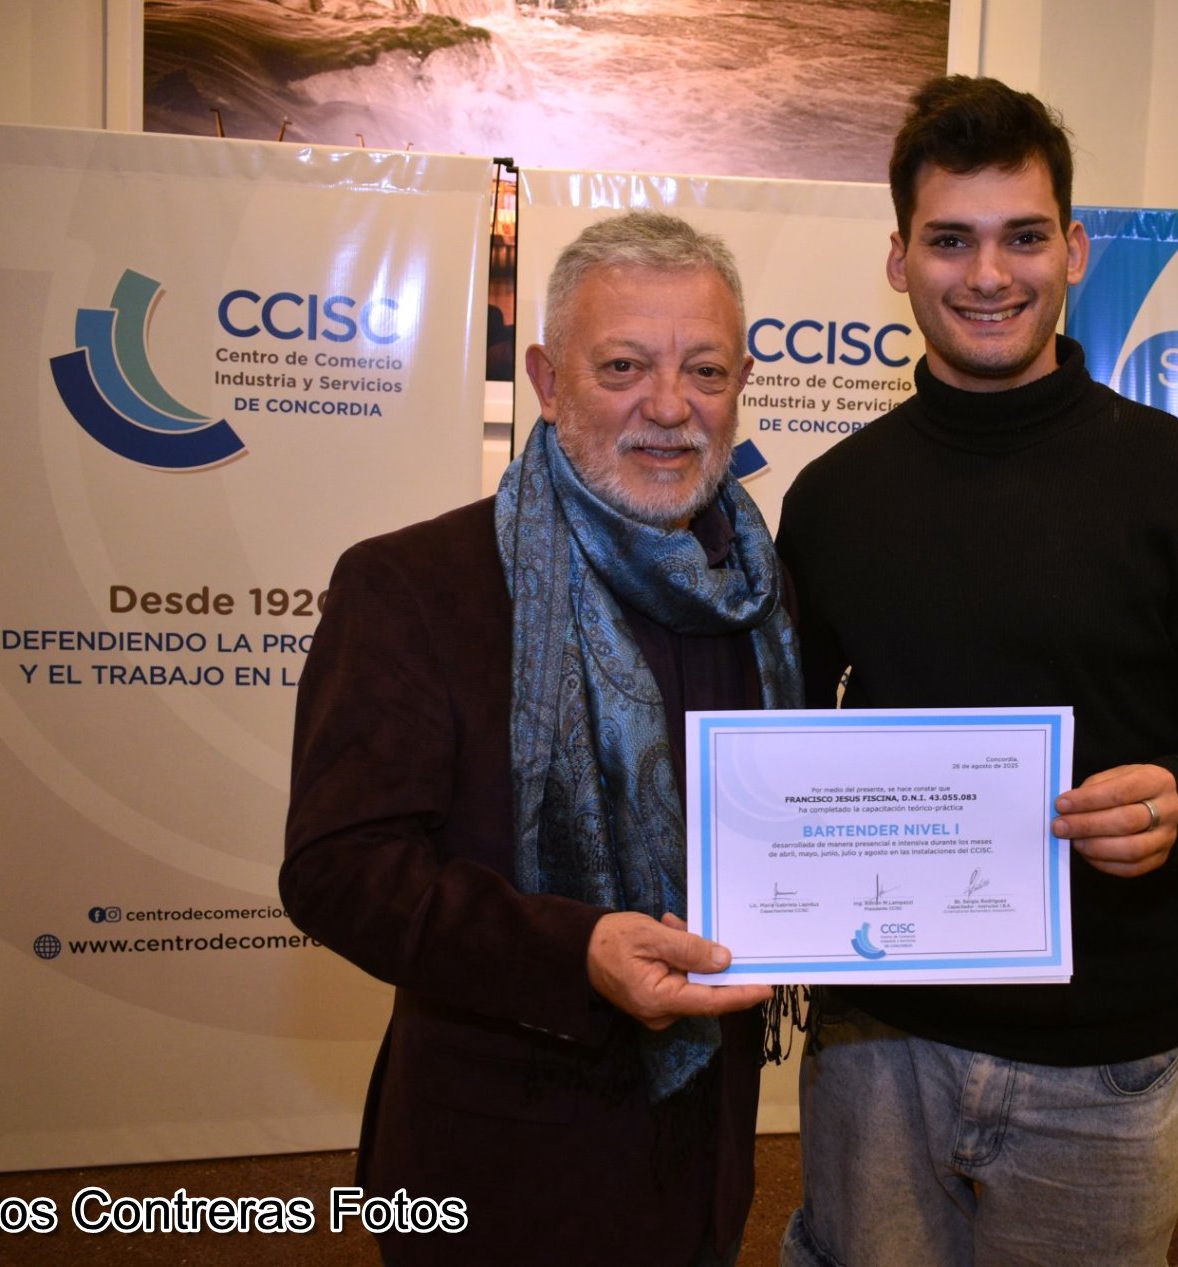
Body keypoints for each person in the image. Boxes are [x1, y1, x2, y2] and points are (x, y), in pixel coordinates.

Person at [776, 77, 1178, 1266]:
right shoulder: (831, 499)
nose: (987, 275)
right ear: (897, 259)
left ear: (1070, 250)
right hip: (878, 1040)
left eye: (1021, 237)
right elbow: (781, 753)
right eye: (948, 240)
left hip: (1104, 1053)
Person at [282, 210, 799, 1266]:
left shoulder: (763, 595)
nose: (669, 407)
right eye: (622, 366)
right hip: (499, 1154)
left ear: (742, 383)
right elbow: (340, 870)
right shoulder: (414, 586)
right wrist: (577, 953)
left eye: (704, 370)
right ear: (548, 381)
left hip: (702, 1146)